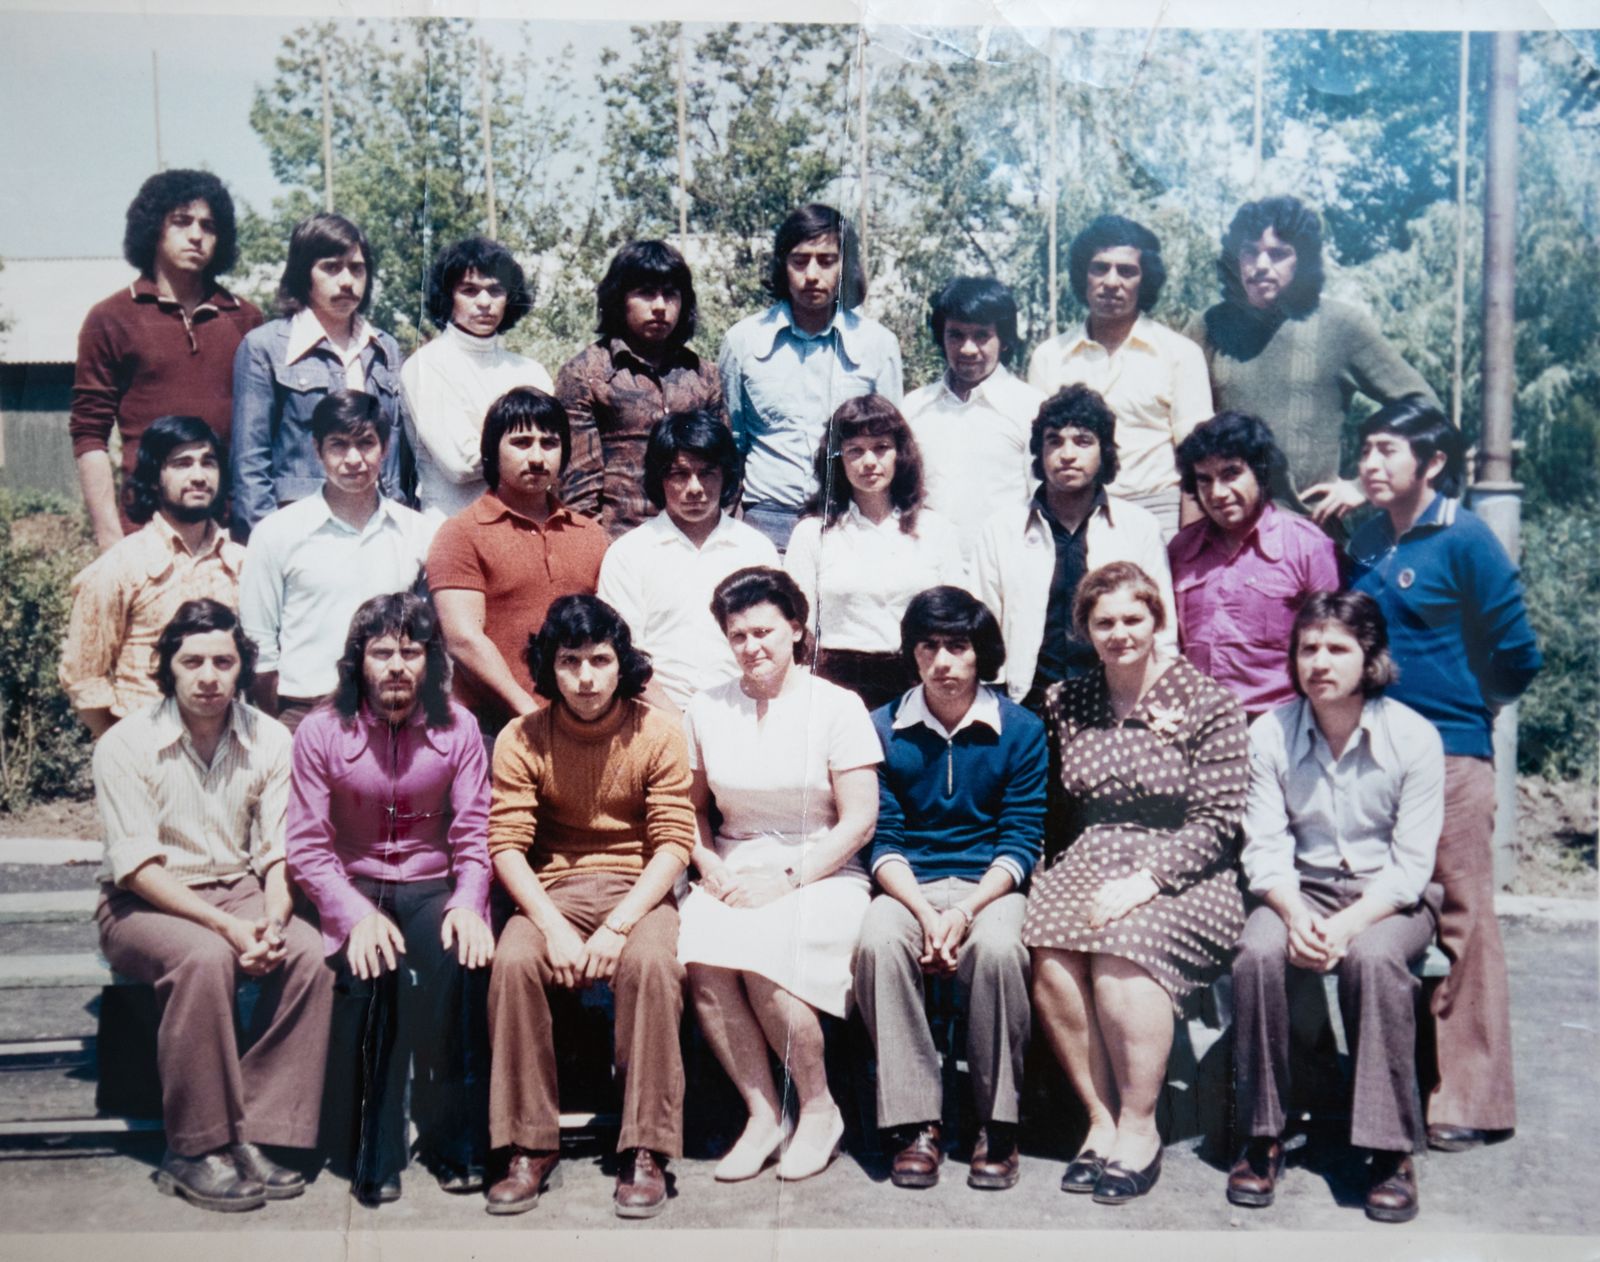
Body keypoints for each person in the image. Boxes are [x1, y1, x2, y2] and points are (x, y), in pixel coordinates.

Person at [93, 599, 331, 1213]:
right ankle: (195, 1149)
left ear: (241, 668)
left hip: (243, 890)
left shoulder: (271, 737)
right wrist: (230, 929)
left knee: (312, 954)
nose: (208, 676)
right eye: (191, 660)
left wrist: (274, 923)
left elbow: (279, 852)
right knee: (203, 959)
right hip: (144, 904)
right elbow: (137, 867)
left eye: (222, 661)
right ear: (167, 667)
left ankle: (259, 1131)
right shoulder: (125, 743)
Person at [1348, 396, 1541, 1152]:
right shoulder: (1363, 541)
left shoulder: (1468, 539)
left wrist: (1471, 710)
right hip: (1373, 754)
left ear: (1431, 463)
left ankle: (1469, 1097)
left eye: (1388, 451)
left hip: (1455, 753)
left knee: (1463, 916)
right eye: (1366, 449)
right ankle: (1390, 1079)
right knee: (1389, 911)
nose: (1371, 463)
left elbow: (1516, 653)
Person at [1023, 562, 1248, 1204]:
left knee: (1126, 947)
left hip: (1186, 867)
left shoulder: (1208, 702)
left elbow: (1218, 821)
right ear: (1086, 631)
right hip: (1095, 853)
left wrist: (1150, 878)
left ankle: (1141, 1126)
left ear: (1157, 620)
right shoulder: (1069, 700)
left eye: (1133, 618)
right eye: (1104, 622)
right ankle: (1100, 1118)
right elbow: (1061, 807)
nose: (1120, 633)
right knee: (1051, 946)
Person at [1231, 592, 1444, 1224]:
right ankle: (1263, 1136)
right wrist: (1296, 917)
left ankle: (1386, 1151)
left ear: (1369, 657)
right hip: (1301, 888)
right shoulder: (1270, 731)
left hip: (1389, 899)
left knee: (1373, 962)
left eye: (1337, 648)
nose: (1319, 662)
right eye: (1307, 648)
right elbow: (1265, 849)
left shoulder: (1414, 737)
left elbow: (1411, 868)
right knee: (1257, 953)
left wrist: (1348, 926)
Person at [484, 596, 694, 1219]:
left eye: (600, 660)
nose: (584, 677)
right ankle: (528, 1143)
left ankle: (645, 1149)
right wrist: (553, 928)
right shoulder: (521, 737)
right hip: (556, 890)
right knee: (515, 961)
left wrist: (618, 928)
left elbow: (674, 843)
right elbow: (506, 846)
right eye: (569, 660)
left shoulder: (657, 731)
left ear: (620, 663)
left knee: (652, 967)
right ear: (549, 666)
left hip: (639, 888)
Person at [286, 593, 494, 1206]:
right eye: (382, 652)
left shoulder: (458, 729)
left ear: (431, 661)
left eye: (411, 651)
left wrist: (467, 901)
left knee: (464, 964)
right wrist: (354, 916)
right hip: (352, 883)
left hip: (432, 884)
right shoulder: (321, 732)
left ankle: (456, 1142)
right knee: (368, 972)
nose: (397, 666)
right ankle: (370, 1152)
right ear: (359, 662)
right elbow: (306, 846)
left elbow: (474, 833)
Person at [676, 566, 881, 1183]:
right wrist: (707, 862)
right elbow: (688, 808)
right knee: (701, 953)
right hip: (734, 867)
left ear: (796, 628)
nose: (752, 647)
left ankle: (819, 1110)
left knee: (768, 957)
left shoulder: (838, 706)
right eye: (737, 636)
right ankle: (763, 1113)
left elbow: (860, 820)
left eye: (764, 631)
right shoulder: (706, 707)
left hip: (824, 870)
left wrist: (788, 879)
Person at [855, 587, 1046, 1191]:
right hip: (908, 884)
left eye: (958, 646)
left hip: (988, 887)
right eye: (928, 646)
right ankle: (916, 1123)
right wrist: (924, 911)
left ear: (979, 654)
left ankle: (997, 1122)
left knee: (997, 950)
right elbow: (881, 838)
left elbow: (1019, 840)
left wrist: (961, 911)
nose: (943, 661)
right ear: (911, 654)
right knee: (879, 942)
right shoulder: (880, 729)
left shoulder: (1020, 729)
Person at [1186, 196, 1439, 525]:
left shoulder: (1341, 326)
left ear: (1301, 262)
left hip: (1310, 534)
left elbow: (1426, 408)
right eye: (1250, 251)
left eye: (1278, 254)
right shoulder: (1207, 326)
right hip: (1224, 534)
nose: (1261, 265)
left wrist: (1363, 487)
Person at [71, 170, 263, 550]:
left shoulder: (246, 319)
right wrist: (111, 537)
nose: (196, 235)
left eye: (208, 226)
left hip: (230, 535)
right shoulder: (111, 317)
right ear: (153, 228)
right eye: (182, 222)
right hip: (143, 532)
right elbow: (89, 434)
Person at [238, 391, 434, 732]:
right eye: (338, 445)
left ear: (385, 448)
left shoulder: (418, 532)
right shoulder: (277, 533)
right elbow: (260, 648)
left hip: (394, 713)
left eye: (366, 443)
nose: (353, 458)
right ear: (317, 450)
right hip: (304, 710)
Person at [973, 385, 1175, 708]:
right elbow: (983, 632)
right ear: (1040, 451)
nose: (1067, 454)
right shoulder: (1001, 530)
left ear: (1104, 451)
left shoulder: (1139, 528)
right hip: (1027, 705)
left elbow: (1163, 629)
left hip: (1116, 703)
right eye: (1054, 440)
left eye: (1083, 441)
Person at [428, 388, 609, 745]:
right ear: (493, 451)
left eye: (550, 443)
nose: (538, 457)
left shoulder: (591, 534)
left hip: (582, 727)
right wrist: (529, 712)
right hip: (492, 730)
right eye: (522, 443)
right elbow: (463, 639)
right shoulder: (461, 533)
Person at [719, 204, 903, 550]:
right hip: (767, 524)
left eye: (827, 260)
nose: (812, 275)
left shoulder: (878, 344)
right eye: (800, 261)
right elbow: (733, 443)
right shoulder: (743, 341)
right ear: (782, 266)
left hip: (850, 521)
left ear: (844, 266)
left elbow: (890, 447)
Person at [1027, 215, 1211, 540]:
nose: (1112, 282)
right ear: (1084, 274)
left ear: (1145, 280)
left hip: (1159, 516)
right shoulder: (1049, 356)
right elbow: (1038, 455)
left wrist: (1190, 547)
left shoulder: (1179, 354)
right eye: (1100, 267)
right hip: (1073, 517)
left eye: (1127, 271)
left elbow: (1199, 460)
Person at [60, 415, 244, 737]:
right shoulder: (121, 567)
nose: (199, 476)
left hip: (229, 755)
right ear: (156, 478)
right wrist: (119, 747)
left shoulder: (243, 564)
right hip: (145, 752)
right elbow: (84, 676)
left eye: (208, 463)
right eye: (182, 464)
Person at [784, 395, 966, 710]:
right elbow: (798, 628)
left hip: (917, 682)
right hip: (835, 686)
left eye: (881, 447)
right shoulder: (811, 534)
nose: (869, 462)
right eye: (855, 450)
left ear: (901, 454)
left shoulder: (936, 530)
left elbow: (956, 621)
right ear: (837, 459)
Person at [231, 212, 406, 538]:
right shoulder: (265, 347)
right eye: (331, 267)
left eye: (357, 269)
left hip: (378, 527)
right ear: (303, 274)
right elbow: (249, 464)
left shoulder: (385, 349)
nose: (346, 281)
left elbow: (396, 454)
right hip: (301, 528)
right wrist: (267, 545)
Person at [596, 411, 777, 709]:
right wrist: (677, 724)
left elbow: (773, 646)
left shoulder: (756, 550)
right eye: (679, 474)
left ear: (726, 475)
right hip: (654, 718)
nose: (695, 488)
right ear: (659, 478)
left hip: (743, 713)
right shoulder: (629, 553)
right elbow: (622, 654)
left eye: (707, 472)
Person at [1168, 411, 1340, 717]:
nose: (1217, 493)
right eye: (1204, 480)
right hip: (1197, 727)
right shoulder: (1181, 550)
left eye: (1231, 473)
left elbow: (1335, 647)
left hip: (1281, 726)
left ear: (1260, 471)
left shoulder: (1307, 547)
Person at [556, 240, 727, 536]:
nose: (659, 307)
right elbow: (578, 486)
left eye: (670, 295)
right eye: (646, 293)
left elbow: (724, 466)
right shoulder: (585, 373)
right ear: (619, 299)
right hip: (617, 541)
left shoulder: (704, 375)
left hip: (697, 539)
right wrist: (602, 553)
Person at [400, 236, 552, 522]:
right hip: (451, 528)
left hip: (523, 527)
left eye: (495, 290)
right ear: (448, 296)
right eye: (470, 290)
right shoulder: (425, 366)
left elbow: (549, 457)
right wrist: (523, 446)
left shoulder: (531, 372)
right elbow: (460, 463)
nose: (484, 302)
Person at [901, 277, 1043, 557]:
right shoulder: (914, 407)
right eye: (956, 335)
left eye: (981, 336)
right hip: (929, 566)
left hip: (1006, 564)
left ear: (1003, 340)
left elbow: (1043, 500)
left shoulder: (1031, 409)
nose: (968, 349)